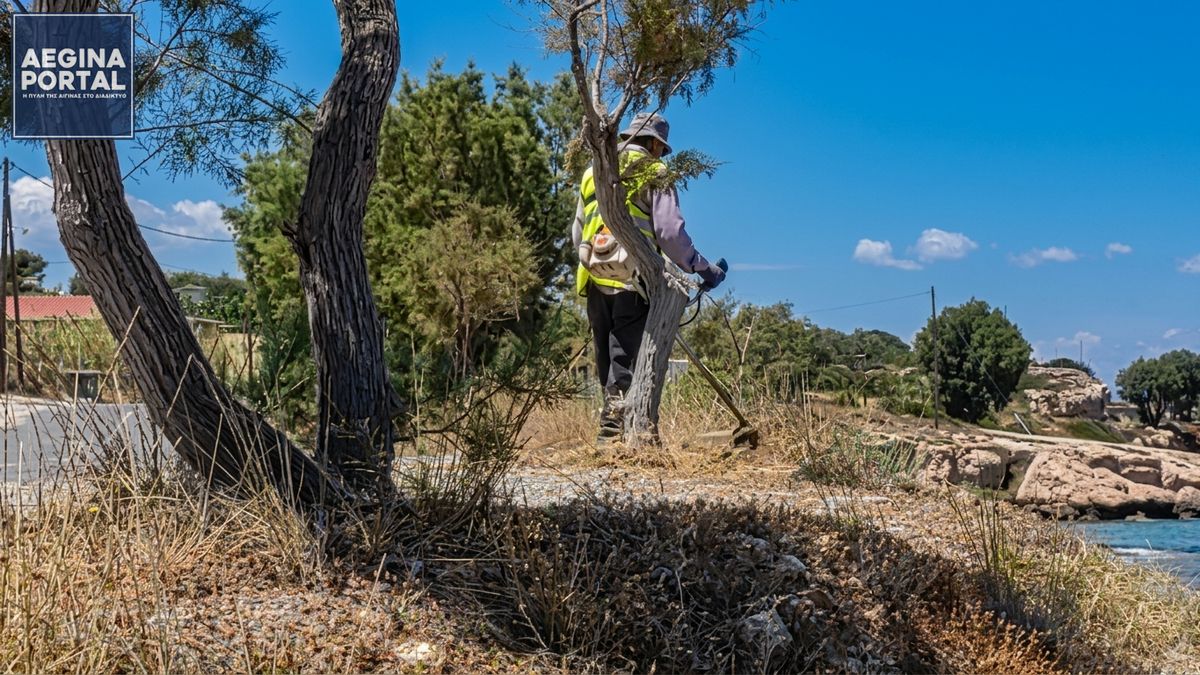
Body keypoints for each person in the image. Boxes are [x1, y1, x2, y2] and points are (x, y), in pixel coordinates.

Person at [571, 112, 726, 441]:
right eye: (660, 148)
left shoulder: (594, 171)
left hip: (595, 279)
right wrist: (702, 268)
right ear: (655, 143)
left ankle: (611, 429)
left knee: (606, 359)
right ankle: (615, 436)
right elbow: (670, 234)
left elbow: (578, 231)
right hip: (633, 279)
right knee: (625, 358)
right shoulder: (654, 170)